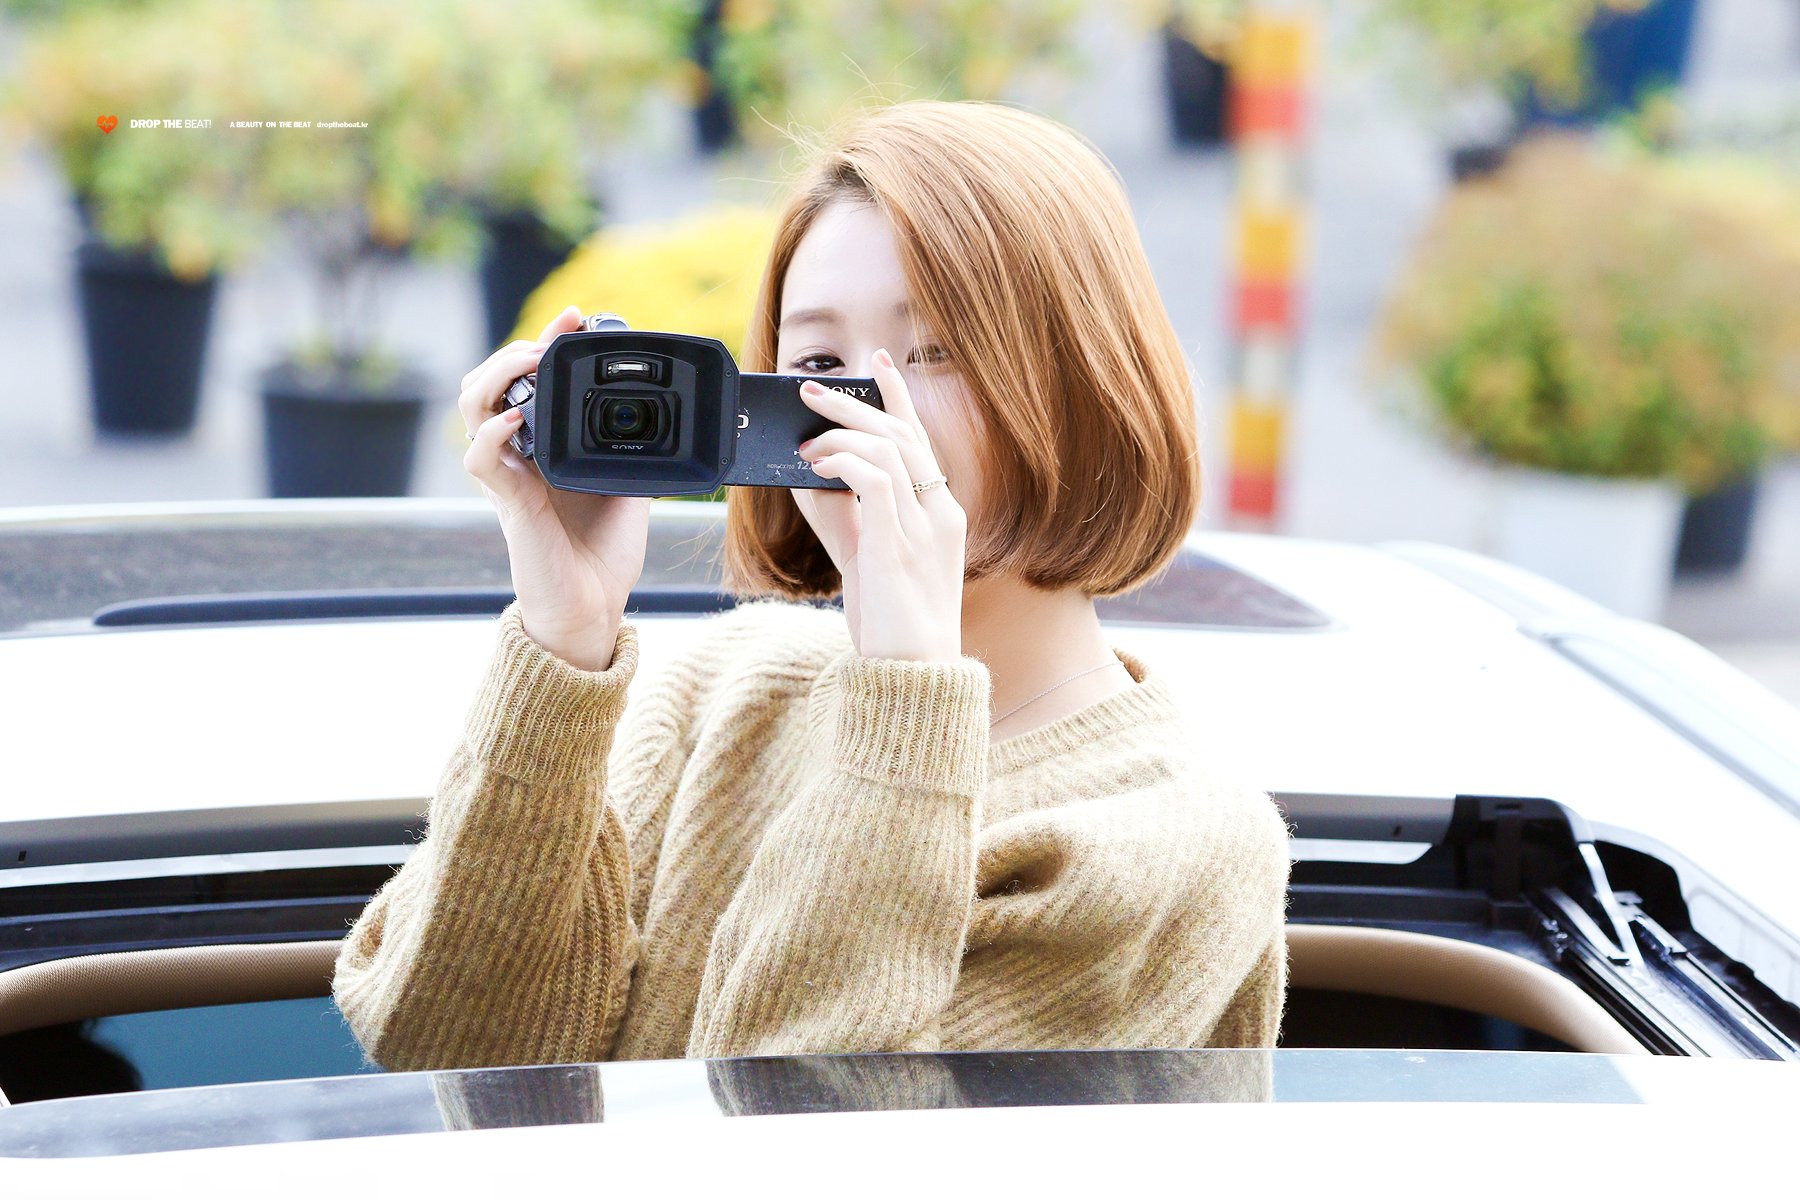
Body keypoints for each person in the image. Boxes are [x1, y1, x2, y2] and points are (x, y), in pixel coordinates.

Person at [332, 99, 1293, 1073]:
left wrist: (907, 700)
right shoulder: (728, 690)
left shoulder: (1174, 840)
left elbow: (793, 1129)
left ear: (1083, 377)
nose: (865, 412)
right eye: (819, 363)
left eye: (936, 351)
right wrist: (563, 641)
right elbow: (445, 1053)